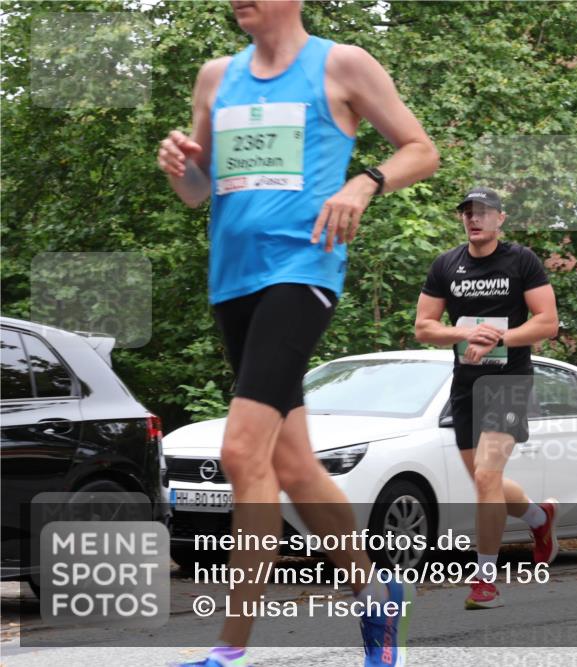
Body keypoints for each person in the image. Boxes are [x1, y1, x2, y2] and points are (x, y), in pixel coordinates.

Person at [156, 2, 438, 665]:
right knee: (294, 465)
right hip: (233, 281)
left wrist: (364, 184)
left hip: (302, 268)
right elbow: (199, 191)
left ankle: (231, 645)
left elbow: (422, 149)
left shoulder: (340, 64)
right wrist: (179, 167)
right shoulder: (214, 78)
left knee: (241, 452)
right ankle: (376, 594)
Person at [414, 187, 560, 609]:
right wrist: (463, 333)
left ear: (500, 218)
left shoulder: (521, 260)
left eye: (482, 212)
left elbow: (547, 322)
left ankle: (485, 578)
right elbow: (424, 327)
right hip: (465, 384)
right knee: (486, 480)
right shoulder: (447, 264)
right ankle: (538, 517)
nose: (473, 219)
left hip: (509, 379)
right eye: (467, 213)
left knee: (484, 478)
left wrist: (500, 339)